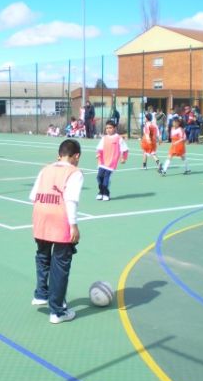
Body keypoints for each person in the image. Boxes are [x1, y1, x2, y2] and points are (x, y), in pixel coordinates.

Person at [30, 139, 83, 324]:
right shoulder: (74, 172)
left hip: (40, 217)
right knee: (61, 264)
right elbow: (71, 200)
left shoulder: (46, 169)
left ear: (58, 155)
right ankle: (57, 311)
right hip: (59, 220)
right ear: (76, 156)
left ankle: (41, 294)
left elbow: (32, 196)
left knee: (43, 256)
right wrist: (73, 225)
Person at [95, 120, 129, 201]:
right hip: (102, 161)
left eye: (110, 128)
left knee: (106, 178)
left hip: (111, 163)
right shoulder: (104, 138)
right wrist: (98, 154)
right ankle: (101, 192)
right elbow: (99, 148)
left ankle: (106, 194)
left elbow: (125, 149)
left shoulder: (118, 138)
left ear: (115, 128)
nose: (108, 130)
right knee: (99, 177)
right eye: (107, 128)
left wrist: (124, 158)